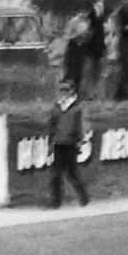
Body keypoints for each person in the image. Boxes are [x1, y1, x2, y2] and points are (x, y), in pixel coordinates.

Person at [45, 80, 91, 209]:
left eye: (66, 90)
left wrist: (80, 141)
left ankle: (84, 197)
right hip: (58, 144)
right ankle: (56, 202)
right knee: (56, 174)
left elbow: (80, 126)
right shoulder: (57, 107)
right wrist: (50, 143)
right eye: (61, 90)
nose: (63, 93)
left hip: (70, 144)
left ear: (71, 91)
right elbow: (52, 126)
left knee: (72, 173)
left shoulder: (77, 108)